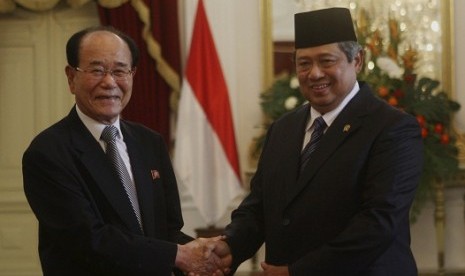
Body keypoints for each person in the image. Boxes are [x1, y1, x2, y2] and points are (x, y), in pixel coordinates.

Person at [210, 7, 424, 275]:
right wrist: (231, 246)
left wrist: (297, 272)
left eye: (326, 61)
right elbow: (260, 207)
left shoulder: (392, 128)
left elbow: (378, 223)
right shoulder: (283, 129)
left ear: (356, 60)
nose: (314, 74)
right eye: (304, 63)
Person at [22, 26, 230, 276]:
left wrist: (214, 254)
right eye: (97, 70)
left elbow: (167, 230)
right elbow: (88, 239)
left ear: (132, 75)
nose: (109, 82)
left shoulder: (149, 142)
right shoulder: (48, 152)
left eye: (120, 70)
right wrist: (181, 255)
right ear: (71, 78)